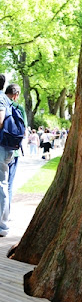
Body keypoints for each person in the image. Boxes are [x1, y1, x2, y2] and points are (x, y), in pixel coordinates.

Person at [0, 83, 23, 237]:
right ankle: (4, 224)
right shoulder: (12, 103)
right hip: (8, 148)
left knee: (2, 184)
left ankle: (3, 226)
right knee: (4, 184)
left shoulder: (1, 99)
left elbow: (0, 119)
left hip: (1, 146)